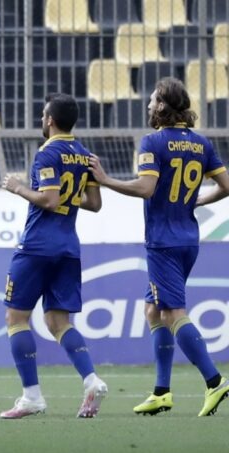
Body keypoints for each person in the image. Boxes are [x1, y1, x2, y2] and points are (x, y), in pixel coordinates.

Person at [89, 77, 229, 416]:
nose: (149, 105)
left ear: (163, 105)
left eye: (153, 100)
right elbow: (226, 186)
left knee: (173, 313)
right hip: (188, 239)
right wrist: (198, 201)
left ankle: (215, 381)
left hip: (163, 242)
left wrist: (105, 180)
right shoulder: (201, 144)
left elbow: (146, 188)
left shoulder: (152, 142)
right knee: (153, 310)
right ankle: (161, 392)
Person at [0, 93, 106, 419]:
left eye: (44, 115)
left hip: (37, 246)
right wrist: (66, 197)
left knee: (16, 318)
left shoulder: (47, 153)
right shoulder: (85, 155)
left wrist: (17, 187)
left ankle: (32, 396)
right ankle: (92, 379)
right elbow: (94, 204)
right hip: (68, 247)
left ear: (50, 120)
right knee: (58, 322)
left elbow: (48, 200)